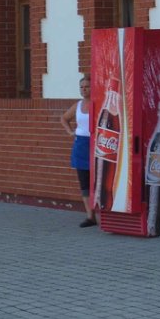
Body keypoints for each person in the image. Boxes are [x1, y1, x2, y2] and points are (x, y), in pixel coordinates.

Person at [59, 74, 98, 227]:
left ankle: (105, 213)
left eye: (87, 86)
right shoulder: (78, 105)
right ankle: (90, 216)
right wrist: (70, 131)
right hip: (80, 145)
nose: (84, 90)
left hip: (95, 145)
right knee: (84, 182)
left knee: (97, 180)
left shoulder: (98, 103)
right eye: (81, 87)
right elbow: (64, 118)